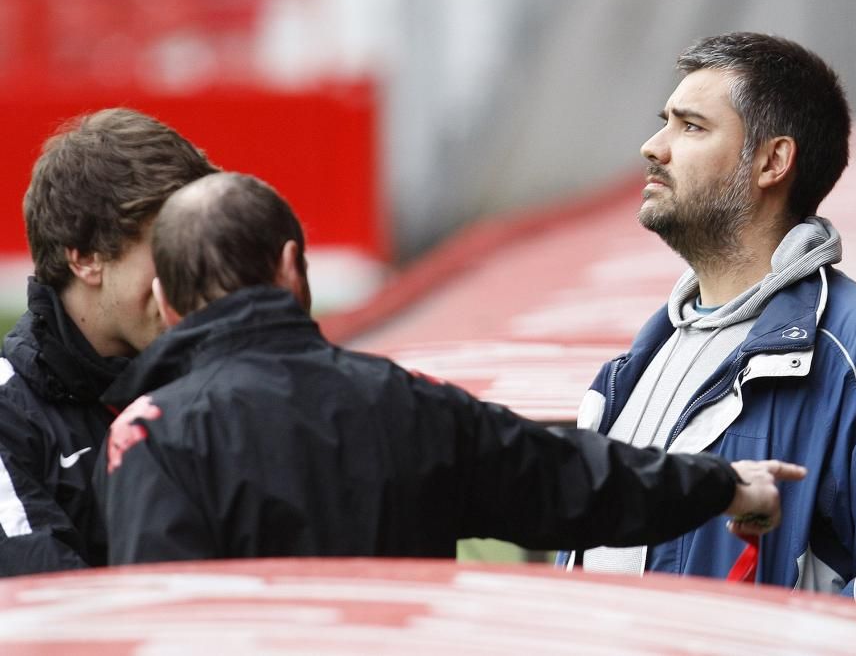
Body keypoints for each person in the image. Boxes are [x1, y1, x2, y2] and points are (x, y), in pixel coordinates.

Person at [95, 171, 805, 564]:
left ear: (163, 300)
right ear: (290, 267)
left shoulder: (149, 435)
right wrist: (726, 485)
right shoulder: (406, 404)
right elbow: (574, 479)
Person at [556, 32, 856, 618]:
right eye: (666, 122)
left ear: (772, 162)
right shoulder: (640, 362)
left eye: (691, 127)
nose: (653, 147)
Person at [0, 108, 219, 576]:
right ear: (85, 258)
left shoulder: (218, 376)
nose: (190, 277)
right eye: (167, 250)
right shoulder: (9, 416)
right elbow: (47, 601)